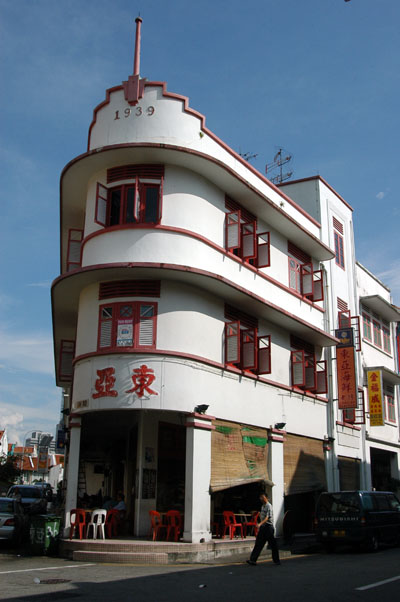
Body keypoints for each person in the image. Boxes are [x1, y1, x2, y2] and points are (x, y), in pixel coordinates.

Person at [246, 492, 280, 565]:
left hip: (268, 528)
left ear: (266, 498)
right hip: (263, 528)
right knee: (258, 543)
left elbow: (267, 517)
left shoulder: (269, 506)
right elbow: (262, 517)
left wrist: (260, 524)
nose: (261, 499)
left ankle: (276, 560)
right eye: (261, 498)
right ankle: (253, 560)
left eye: (263, 497)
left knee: (273, 544)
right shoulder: (262, 506)